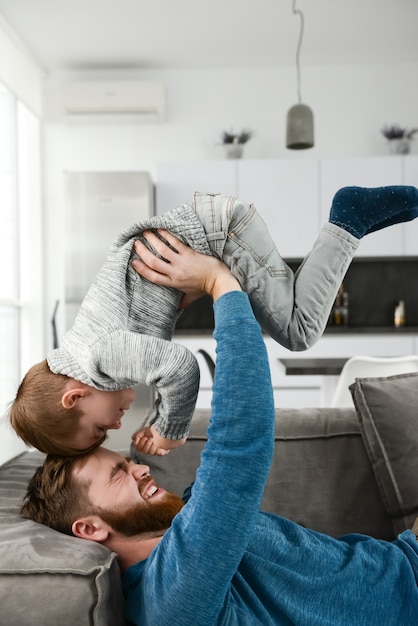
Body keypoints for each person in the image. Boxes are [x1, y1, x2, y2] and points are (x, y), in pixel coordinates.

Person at [21, 233, 418, 626]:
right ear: (90, 528)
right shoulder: (170, 592)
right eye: (118, 475)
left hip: (404, 556)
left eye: (126, 463)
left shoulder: (186, 525)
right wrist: (220, 284)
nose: (140, 469)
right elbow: (238, 446)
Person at [9, 186, 418, 456]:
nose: (114, 427)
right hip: (212, 230)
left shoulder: (99, 356)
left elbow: (180, 367)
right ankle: (351, 226)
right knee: (292, 311)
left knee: (299, 331)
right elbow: (152, 339)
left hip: (219, 235)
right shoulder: (82, 346)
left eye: (99, 429)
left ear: (74, 397)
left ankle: (349, 219)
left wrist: (171, 429)